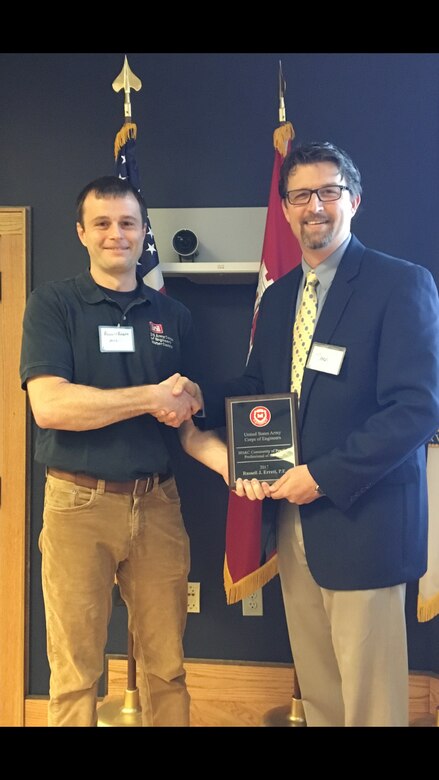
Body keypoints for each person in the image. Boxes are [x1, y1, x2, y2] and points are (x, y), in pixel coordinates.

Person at [175, 141, 439, 726]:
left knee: (372, 705)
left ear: (354, 201)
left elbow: (415, 410)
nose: (314, 206)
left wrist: (322, 477)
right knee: (319, 693)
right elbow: (256, 384)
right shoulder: (279, 298)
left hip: (362, 524)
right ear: (287, 207)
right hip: (292, 523)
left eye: (328, 192)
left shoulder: (400, 285)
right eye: (300, 195)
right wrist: (198, 398)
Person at [19, 176, 203, 727]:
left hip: (158, 505)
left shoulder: (173, 317)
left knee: (167, 668)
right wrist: (151, 396)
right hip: (78, 504)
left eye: (127, 223)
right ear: (81, 233)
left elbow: (188, 408)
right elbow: (51, 406)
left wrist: (187, 399)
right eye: (102, 223)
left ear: (144, 232)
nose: (115, 234)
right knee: (75, 671)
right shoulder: (53, 304)